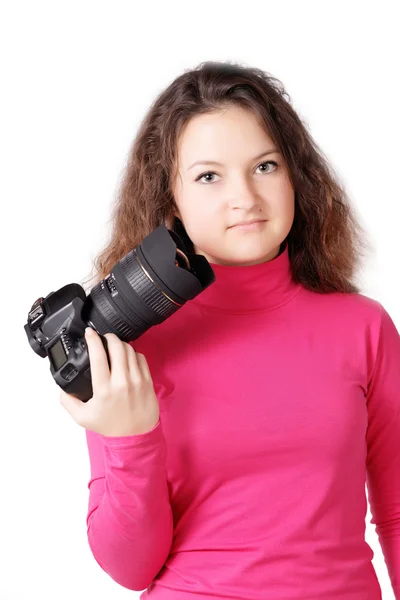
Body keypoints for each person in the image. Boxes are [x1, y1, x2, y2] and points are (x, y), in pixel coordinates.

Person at [61, 61, 400, 599]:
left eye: (265, 166)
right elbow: (130, 569)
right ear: (171, 199)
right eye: (208, 176)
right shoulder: (127, 343)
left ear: (296, 176)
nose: (244, 196)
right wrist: (130, 439)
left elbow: (399, 516)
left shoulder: (364, 328)